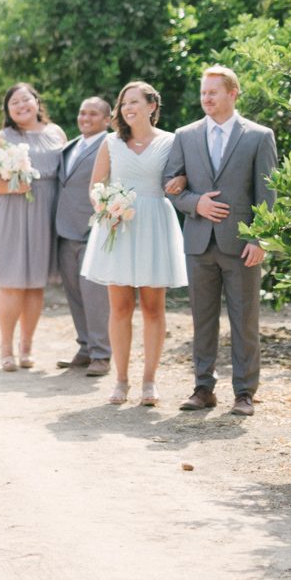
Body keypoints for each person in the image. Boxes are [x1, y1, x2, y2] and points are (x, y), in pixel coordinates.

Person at [164, 66, 277, 417]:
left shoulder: (259, 136)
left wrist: (260, 237)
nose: (206, 98)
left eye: (213, 92)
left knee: (245, 321)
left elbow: (268, 191)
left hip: (242, 244)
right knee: (202, 318)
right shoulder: (185, 135)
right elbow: (169, 185)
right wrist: (193, 202)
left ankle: (244, 393)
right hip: (199, 242)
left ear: (233, 93)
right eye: (203, 92)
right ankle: (203, 388)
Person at [81, 81, 188, 407]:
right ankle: (122, 380)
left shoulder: (172, 142)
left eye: (135, 102)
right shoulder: (110, 143)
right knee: (121, 307)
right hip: (119, 226)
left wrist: (181, 180)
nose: (128, 108)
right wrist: (106, 206)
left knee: (154, 307)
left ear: (152, 106)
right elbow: (95, 186)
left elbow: (183, 177)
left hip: (155, 223)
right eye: (124, 103)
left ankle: (149, 381)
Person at [0, 83, 65, 371]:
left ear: (37, 102)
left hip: (46, 212)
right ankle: (5, 346)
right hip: (13, 211)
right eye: (13, 102)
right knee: (12, 282)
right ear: (8, 110)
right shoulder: (3, 138)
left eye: (25, 99)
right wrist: (11, 187)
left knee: (35, 282)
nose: (20, 106)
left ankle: (27, 346)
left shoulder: (56, 133)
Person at [54, 97, 114, 377]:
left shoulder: (111, 146)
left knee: (95, 294)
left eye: (93, 114)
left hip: (94, 228)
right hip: (65, 230)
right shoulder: (70, 147)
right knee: (74, 292)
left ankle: (102, 353)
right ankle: (85, 347)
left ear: (107, 120)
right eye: (82, 112)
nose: (85, 118)